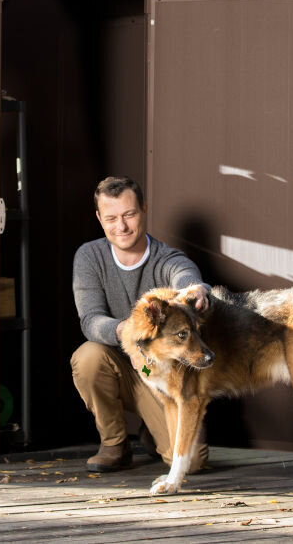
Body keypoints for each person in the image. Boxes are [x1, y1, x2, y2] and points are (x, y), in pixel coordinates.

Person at [70, 175, 211, 473]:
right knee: (87, 357)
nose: (121, 226)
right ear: (99, 218)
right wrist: (129, 335)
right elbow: (91, 320)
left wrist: (196, 290)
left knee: (193, 462)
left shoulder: (166, 258)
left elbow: (186, 277)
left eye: (129, 214)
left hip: (156, 372)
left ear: (144, 209)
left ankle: (152, 428)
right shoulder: (89, 257)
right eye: (111, 218)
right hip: (118, 365)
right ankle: (114, 444)